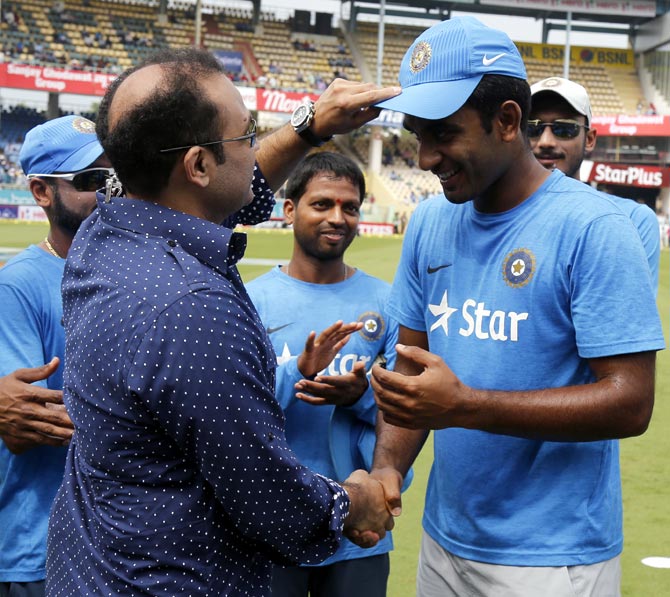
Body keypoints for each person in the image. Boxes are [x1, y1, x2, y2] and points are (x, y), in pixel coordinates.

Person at [45, 48, 401, 596]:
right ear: (199, 166)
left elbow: (236, 188)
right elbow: (271, 501)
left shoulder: (103, 234)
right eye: (246, 134)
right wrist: (356, 499)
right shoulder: (191, 307)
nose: (253, 146)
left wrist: (308, 128)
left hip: (96, 569)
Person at [371, 16, 664, 597]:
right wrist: (386, 470)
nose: (426, 157)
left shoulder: (596, 227)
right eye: (417, 136)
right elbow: (411, 364)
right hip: (442, 539)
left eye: (444, 134)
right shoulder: (431, 220)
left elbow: (630, 403)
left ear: (507, 121)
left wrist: (466, 405)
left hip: (551, 560)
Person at [247, 152, 402, 597]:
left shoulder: (388, 302)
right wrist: (297, 372)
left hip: (360, 535)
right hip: (269, 525)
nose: (338, 217)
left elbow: (409, 415)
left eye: (349, 207)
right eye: (322, 204)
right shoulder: (249, 301)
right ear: (290, 209)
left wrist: (359, 396)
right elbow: (230, 412)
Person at [0, 115, 112, 597]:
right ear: (42, 192)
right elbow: (30, 422)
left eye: (113, 176)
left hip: (114, 546)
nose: (108, 191)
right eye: (90, 180)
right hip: (39, 549)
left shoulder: (128, 274)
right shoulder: (20, 284)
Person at [529, 76, 660, 289]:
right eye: (532, 128)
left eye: (564, 129)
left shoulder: (634, 220)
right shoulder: (497, 212)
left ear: (589, 139)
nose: (546, 142)